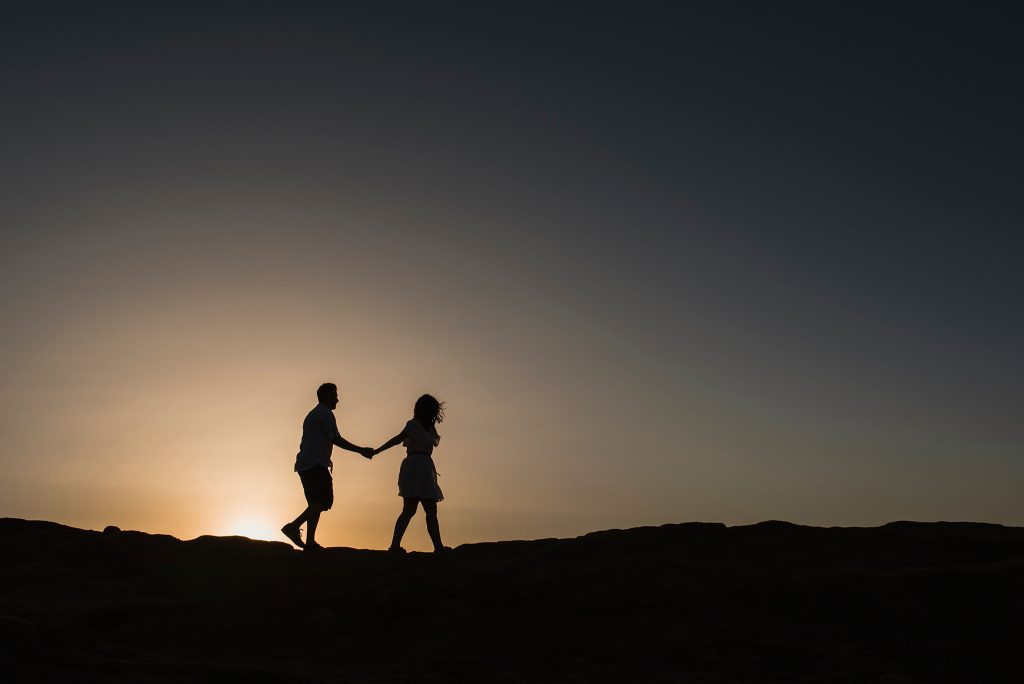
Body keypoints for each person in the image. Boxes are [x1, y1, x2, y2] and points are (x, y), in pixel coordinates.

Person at [281, 382, 374, 552]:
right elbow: (336, 439)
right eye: (335, 395)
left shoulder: (315, 414)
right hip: (315, 463)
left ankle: (310, 542)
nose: (337, 400)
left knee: (314, 504)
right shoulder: (325, 414)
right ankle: (293, 527)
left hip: (306, 464)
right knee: (324, 501)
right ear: (325, 396)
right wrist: (361, 450)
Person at [373, 394, 450, 553]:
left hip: (420, 465)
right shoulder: (414, 425)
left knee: (415, 510)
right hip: (418, 465)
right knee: (420, 509)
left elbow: (397, 439)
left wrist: (376, 451)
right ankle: (436, 547)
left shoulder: (426, 427)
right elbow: (397, 439)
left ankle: (400, 545)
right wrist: (378, 451)